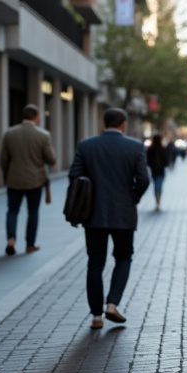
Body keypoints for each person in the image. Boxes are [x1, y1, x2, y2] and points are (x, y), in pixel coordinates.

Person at [69, 108, 151, 330]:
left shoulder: (87, 145)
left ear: (104, 123)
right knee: (123, 257)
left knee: (95, 263)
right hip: (123, 213)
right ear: (123, 124)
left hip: (93, 213)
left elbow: (74, 175)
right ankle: (112, 303)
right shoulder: (134, 146)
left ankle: (96, 316)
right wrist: (131, 198)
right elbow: (143, 179)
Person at [0, 105, 57, 256]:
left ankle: (11, 240)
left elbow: (3, 160)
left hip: (14, 179)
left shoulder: (9, 134)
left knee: (12, 210)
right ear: (37, 117)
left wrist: (6, 175)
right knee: (33, 212)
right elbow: (51, 159)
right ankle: (30, 244)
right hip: (35, 180)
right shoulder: (43, 135)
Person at [146, 134, 170, 212]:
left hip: (154, 171)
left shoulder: (150, 149)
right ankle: (158, 202)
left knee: (156, 186)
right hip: (160, 171)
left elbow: (147, 161)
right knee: (159, 186)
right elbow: (166, 161)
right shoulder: (162, 149)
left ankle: (157, 202)